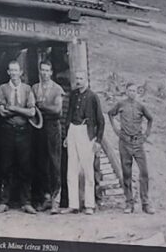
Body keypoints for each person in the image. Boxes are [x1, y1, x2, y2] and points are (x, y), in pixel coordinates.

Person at [0, 59, 40, 211]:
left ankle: (26, 202)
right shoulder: (2, 88)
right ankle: (4, 201)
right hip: (7, 131)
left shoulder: (27, 89)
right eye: (11, 70)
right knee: (6, 166)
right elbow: (2, 112)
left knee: (25, 166)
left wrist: (13, 108)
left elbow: (32, 112)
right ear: (8, 72)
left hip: (24, 132)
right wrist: (22, 110)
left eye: (16, 70)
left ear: (21, 72)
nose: (14, 73)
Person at [108, 81, 155, 214]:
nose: (132, 93)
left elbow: (150, 119)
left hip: (138, 142)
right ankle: (129, 203)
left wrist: (146, 135)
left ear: (137, 92)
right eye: (129, 91)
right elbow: (111, 114)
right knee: (126, 173)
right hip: (124, 143)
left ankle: (145, 203)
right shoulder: (121, 104)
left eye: (134, 91)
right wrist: (116, 130)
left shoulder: (141, 106)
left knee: (144, 172)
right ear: (126, 92)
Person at [64, 71, 104, 214]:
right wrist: (67, 134)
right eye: (77, 79)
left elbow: (101, 120)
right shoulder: (73, 95)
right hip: (73, 131)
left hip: (86, 132)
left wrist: (98, 141)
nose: (78, 81)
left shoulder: (93, 97)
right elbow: (69, 114)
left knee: (88, 169)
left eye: (81, 78)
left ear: (86, 80)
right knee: (72, 169)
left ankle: (89, 205)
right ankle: (73, 204)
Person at [34, 58, 69, 212]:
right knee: (41, 163)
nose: (45, 73)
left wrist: (41, 106)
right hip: (39, 127)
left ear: (51, 72)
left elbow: (57, 111)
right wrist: (41, 109)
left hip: (53, 128)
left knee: (55, 164)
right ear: (40, 71)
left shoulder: (57, 89)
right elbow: (30, 108)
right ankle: (46, 197)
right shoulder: (35, 88)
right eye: (42, 70)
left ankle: (56, 199)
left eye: (47, 70)